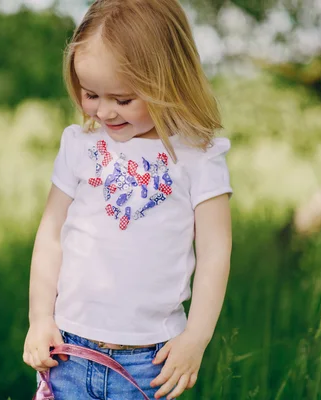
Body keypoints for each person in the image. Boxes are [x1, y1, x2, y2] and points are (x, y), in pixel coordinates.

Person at [22, 0, 233, 398]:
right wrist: (40, 317)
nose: (104, 111)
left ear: (168, 82)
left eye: (123, 99)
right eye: (90, 94)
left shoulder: (198, 156)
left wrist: (196, 338)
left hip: (150, 360)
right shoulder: (79, 145)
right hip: (67, 350)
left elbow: (215, 253)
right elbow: (51, 236)